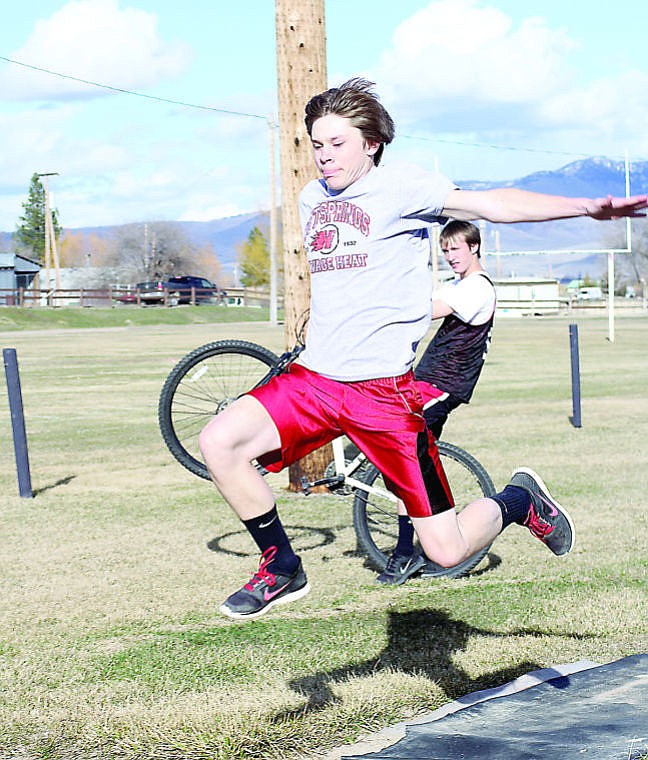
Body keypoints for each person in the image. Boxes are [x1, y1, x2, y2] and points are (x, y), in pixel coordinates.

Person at [198, 78, 647, 620]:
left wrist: (584, 206)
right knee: (220, 441)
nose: (325, 156)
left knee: (446, 548)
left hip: (381, 394)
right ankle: (282, 566)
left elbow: (493, 204)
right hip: (315, 380)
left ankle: (519, 501)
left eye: (339, 143)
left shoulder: (404, 188)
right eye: (317, 144)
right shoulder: (311, 197)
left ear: (372, 144)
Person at [376, 219, 497, 585]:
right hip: (425, 382)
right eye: (445, 251)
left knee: (407, 461)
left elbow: (423, 311)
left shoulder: (476, 288)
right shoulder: (460, 285)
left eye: (456, 249)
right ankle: (405, 548)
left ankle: (406, 551)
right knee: (398, 456)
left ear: (473, 247)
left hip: (443, 386)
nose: (450, 257)